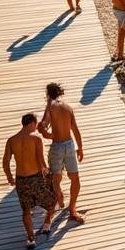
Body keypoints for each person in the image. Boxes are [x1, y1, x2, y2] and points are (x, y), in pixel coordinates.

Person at [3, 113, 57, 249]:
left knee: (26, 210)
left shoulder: (11, 140)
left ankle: (30, 237)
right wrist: (47, 172)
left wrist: (9, 176)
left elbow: (5, 162)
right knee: (52, 200)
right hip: (35, 178)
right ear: (32, 123)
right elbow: (40, 160)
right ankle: (46, 223)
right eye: (36, 124)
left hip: (21, 180)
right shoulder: (36, 139)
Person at [38, 82, 85, 223]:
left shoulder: (50, 108)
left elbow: (44, 128)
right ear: (60, 93)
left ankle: (59, 195)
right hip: (70, 144)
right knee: (75, 178)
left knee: (55, 179)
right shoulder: (68, 108)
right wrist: (80, 148)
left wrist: (46, 133)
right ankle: (73, 209)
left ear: (47, 95)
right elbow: (75, 129)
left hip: (57, 146)